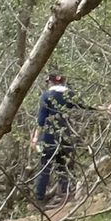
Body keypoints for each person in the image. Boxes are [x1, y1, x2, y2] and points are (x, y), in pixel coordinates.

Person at [33, 72, 76, 204]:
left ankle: (39, 198)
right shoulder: (70, 94)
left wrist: (35, 138)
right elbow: (85, 106)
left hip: (49, 135)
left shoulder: (46, 96)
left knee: (45, 165)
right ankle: (65, 192)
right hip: (65, 133)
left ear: (50, 82)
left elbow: (41, 121)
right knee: (64, 164)